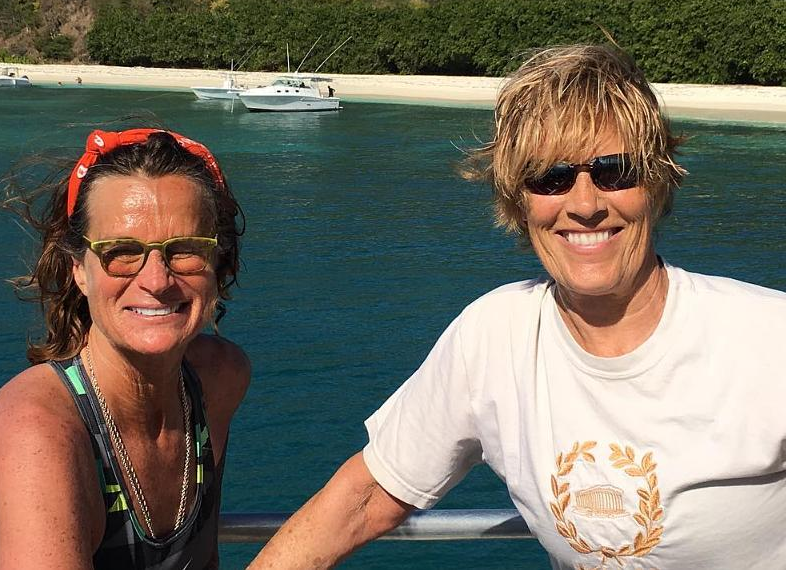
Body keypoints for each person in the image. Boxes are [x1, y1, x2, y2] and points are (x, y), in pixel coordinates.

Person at [248, 44, 786, 569]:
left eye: (615, 171)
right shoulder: (495, 335)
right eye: (550, 177)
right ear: (518, 200)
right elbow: (368, 497)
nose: (584, 204)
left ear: (657, 183)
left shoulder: (766, 338)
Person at [0, 127, 250, 570]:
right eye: (121, 251)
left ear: (217, 264)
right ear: (79, 269)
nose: (156, 280)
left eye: (185, 249)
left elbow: (203, 561)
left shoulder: (218, 379)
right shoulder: (36, 433)